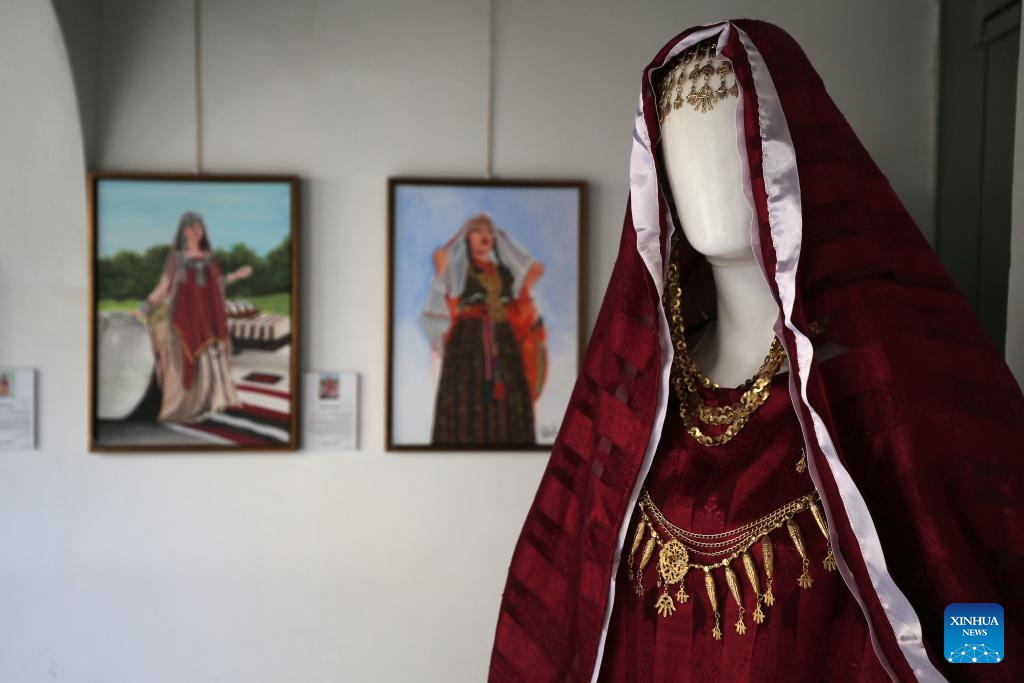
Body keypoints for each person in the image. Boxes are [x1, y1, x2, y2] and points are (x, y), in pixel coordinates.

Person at [490, 20, 1023, 682]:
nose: (708, 178)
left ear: (792, 152)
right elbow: (560, 612)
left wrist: (982, 655)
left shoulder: (880, 389)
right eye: (683, 151)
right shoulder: (632, 403)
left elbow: (976, 604)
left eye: (735, 141)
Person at [420, 213, 546, 446]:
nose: (484, 235)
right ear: (467, 238)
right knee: (468, 396)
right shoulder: (458, 272)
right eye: (477, 230)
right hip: (468, 343)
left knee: (510, 396)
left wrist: (528, 286)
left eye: (488, 230)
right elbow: (445, 304)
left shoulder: (504, 272)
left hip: (504, 341)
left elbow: (519, 306)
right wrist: (441, 270)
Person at [135, 211, 252, 423]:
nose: (197, 231)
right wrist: (143, 308)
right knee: (185, 358)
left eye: (200, 227)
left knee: (210, 357)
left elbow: (218, 282)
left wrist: (236, 275)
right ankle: (187, 406)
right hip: (185, 317)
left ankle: (210, 400)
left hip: (207, 317)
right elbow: (164, 286)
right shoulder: (175, 258)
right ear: (183, 231)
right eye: (192, 227)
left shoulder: (209, 257)